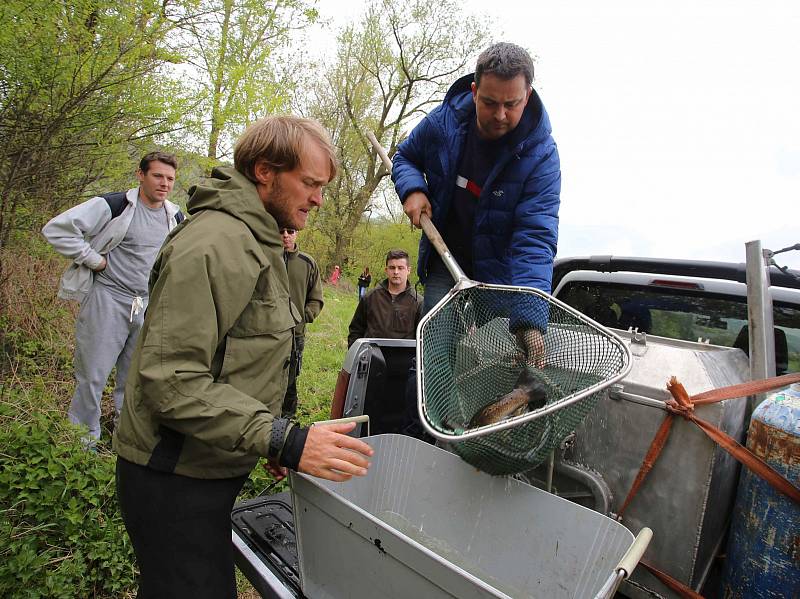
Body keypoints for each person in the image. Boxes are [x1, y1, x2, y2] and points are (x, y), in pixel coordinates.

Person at [113, 116, 373, 598]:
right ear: (264, 171)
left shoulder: (260, 242)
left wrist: (270, 437)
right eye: (310, 183)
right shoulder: (214, 244)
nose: (318, 199)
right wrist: (284, 439)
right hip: (173, 479)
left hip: (209, 466)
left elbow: (244, 357)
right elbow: (171, 381)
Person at [391, 42, 560, 365]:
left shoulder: (542, 157)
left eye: (511, 104)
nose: (500, 115)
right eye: (489, 102)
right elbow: (406, 157)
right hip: (447, 256)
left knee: (489, 364)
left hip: (502, 275)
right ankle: (423, 412)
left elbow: (536, 238)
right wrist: (412, 188)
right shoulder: (445, 122)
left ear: (527, 95)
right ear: (473, 91)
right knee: (433, 356)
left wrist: (529, 320)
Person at [41, 152, 183, 442]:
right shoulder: (114, 205)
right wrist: (94, 260)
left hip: (146, 305)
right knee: (93, 376)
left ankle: (124, 437)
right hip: (108, 298)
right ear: (140, 175)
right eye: (158, 175)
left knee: (133, 380)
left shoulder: (175, 216)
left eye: (170, 178)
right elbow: (56, 229)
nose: (164, 183)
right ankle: (83, 442)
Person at [280, 226, 324, 418]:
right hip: (267, 334)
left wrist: (302, 316)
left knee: (290, 379)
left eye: (290, 231)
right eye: (281, 231)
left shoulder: (307, 263)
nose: (286, 235)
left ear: (297, 233)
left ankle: (287, 420)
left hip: (295, 335)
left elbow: (316, 299)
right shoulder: (265, 257)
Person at [347, 249, 423, 347]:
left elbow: (422, 339)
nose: (396, 272)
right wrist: (357, 356)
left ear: (408, 270)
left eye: (400, 268)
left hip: (405, 359)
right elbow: (356, 330)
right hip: (372, 357)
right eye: (392, 268)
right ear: (386, 270)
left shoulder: (418, 302)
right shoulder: (370, 298)